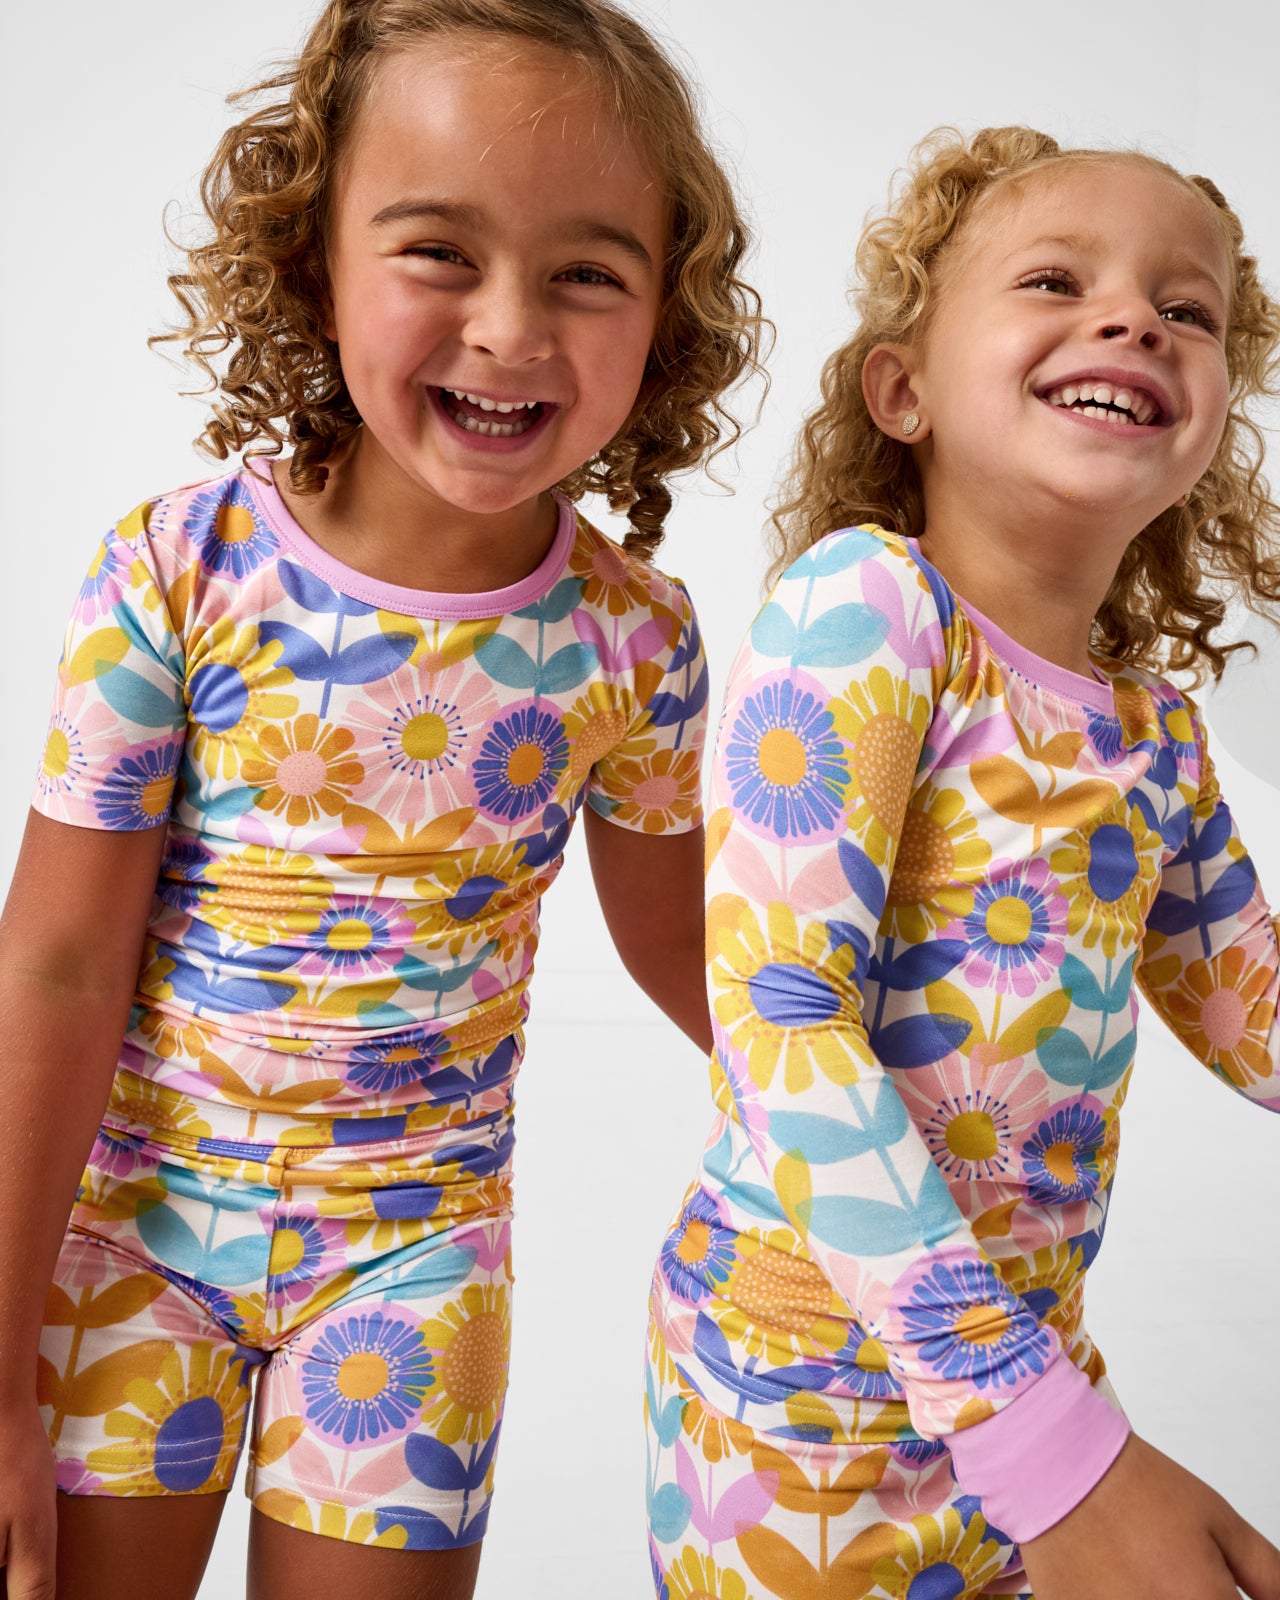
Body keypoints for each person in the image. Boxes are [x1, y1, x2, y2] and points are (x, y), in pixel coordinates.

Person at [0, 2, 763, 1595]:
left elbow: (696, 955)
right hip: (130, 1240)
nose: (512, 329)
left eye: (588, 272)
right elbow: (57, 969)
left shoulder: (634, 638)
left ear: (668, 314)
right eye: (438, 252)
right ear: (313, 263)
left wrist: (893, 1092)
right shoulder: (177, 571)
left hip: (417, 1271)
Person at [645, 125, 1280, 1600]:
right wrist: (1034, 1430)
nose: (1135, 321)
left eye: (1186, 310)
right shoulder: (869, 605)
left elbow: (1256, 1016)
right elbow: (779, 1020)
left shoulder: (1155, 734)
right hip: (804, 1392)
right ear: (904, 391)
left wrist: (1034, 1414)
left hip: (1029, 1366)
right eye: (1057, 281)